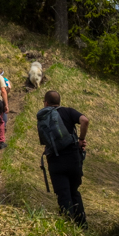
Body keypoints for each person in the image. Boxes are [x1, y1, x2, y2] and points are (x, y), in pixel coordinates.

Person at [39, 90, 89, 228]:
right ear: (59, 102)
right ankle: (82, 227)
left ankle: (68, 228)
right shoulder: (68, 111)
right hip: (73, 158)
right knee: (74, 191)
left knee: (63, 194)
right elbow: (85, 120)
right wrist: (81, 139)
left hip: (55, 160)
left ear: (46, 103)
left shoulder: (44, 116)